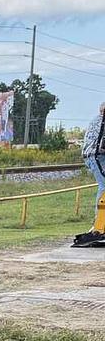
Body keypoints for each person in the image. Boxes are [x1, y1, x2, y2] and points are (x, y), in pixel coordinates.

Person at [73, 102, 105, 247]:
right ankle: (99, 224)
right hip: (97, 156)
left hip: (94, 155)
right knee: (104, 186)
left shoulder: (97, 120)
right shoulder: (101, 121)